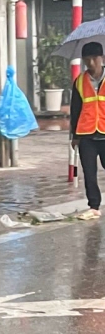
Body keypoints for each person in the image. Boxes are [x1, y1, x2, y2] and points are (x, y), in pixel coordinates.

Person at [71, 41, 105, 220]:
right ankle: (94, 206)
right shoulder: (79, 81)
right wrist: (74, 136)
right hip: (86, 134)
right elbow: (75, 110)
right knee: (89, 173)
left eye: (94, 59)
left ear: (102, 58)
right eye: (87, 60)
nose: (91, 63)